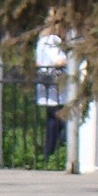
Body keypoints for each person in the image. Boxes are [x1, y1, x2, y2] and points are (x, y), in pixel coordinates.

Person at [34, 17, 69, 158]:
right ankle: (51, 152)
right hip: (54, 86)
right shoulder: (52, 40)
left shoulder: (42, 41)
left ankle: (50, 152)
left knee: (53, 120)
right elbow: (58, 60)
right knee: (56, 121)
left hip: (47, 84)